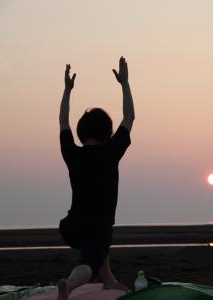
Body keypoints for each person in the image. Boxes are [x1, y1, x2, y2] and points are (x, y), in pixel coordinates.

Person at [57, 57, 135, 300]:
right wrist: (125, 83)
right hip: (96, 224)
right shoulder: (110, 152)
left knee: (100, 244)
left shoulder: (72, 153)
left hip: (71, 226)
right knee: (89, 264)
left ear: (82, 133)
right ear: (108, 133)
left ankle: (109, 279)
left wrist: (67, 90)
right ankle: (69, 286)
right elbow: (129, 117)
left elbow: (62, 121)